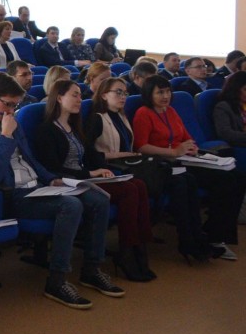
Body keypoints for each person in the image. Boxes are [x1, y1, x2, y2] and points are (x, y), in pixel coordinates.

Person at [0, 73, 123, 310]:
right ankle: (57, 281)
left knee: (97, 198)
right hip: (11, 195)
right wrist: (5, 136)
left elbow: (31, 160)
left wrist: (53, 179)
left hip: (38, 186)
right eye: (7, 104)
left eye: (15, 106)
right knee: (71, 205)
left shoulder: (11, 121)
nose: (11, 111)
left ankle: (92, 269)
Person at [34, 80, 155, 281]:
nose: (79, 99)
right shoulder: (46, 130)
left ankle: (139, 250)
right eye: (74, 95)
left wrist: (105, 168)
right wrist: (91, 173)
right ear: (59, 98)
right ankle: (125, 253)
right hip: (70, 182)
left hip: (84, 177)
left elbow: (90, 155)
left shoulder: (74, 126)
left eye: (80, 95)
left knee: (138, 184)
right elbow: (52, 168)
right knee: (128, 191)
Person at [86, 77, 215, 262]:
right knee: (179, 182)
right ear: (104, 95)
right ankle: (187, 241)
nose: (123, 97)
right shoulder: (97, 119)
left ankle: (197, 237)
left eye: (125, 93)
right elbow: (89, 154)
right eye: (118, 92)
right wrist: (122, 154)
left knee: (188, 179)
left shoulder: (121, 117)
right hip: (116, 169)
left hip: (134, 165)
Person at [132, 75, 246, 261]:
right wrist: (173, 152)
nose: (165, 96)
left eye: (168, 92)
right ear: (149, 94)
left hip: (187, 159)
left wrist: (191, 146)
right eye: (160, 92)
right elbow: (141, 146)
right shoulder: (143, 113)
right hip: (165, 163)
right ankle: (213, 237)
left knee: (237, 177)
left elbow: (187, 137)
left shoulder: (170, 111)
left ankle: (215, 231)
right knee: (224, 181)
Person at [212, 71, 246, 146]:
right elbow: (225, 133)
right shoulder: (223, 107)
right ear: (235, 90)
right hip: (240, 144)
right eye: (245, 89)